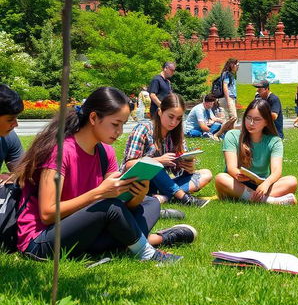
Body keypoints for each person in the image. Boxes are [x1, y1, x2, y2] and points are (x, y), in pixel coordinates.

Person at [15, 87, 193, 263]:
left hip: (83, 228)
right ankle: (149, 249)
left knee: (150, 202)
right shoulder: (60, 151)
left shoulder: (105, 152)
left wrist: (138, 193)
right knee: (109, 207)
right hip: (42, 240)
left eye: (123, 125)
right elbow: (47, 213)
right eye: (115, 124)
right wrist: (99, 193)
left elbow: (121, 204)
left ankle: (136, 241)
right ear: (93, 117)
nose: (120, 131)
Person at [124, 93, 212, 208]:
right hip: (138, 185)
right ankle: (184, 198)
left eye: (179, 119)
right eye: (171, 117)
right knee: (153, 165)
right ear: (160, 112)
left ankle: (164, 197)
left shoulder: (177, 135)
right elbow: (128, 164)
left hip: (162, 184)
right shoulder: (143, 129)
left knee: (206, 174)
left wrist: (189, 168)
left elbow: (178, 172)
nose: (174, 122)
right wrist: (158, 160)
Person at [214, 98, 298, 204]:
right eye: (248, 118)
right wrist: (238, 175)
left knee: (291, 181)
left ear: (266, 122)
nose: (251, 123)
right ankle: (269, 201)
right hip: (238, 182)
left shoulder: (275, 141)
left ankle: (247, 197)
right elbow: (231, 168)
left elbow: (276, 171)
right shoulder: (232, 135)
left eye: (257, 119)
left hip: (262, 184)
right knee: (221, 178)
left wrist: (266, 183)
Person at [0, 84, 24, 181]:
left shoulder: (8, 138)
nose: (16, 124)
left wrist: (13, 176)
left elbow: (22, 171)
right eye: (10, 120)